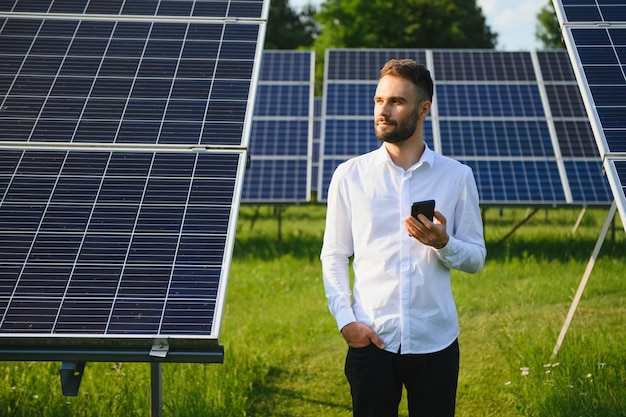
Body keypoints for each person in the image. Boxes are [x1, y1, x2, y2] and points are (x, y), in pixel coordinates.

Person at [320, 59, 487, 417]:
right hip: (371, 339)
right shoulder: (349, 176)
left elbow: (475, 257)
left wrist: (444, 243)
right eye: (379, 100)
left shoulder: (457, 177)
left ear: (423, 109)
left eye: (396, 102)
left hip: (436, 341)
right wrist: (346, 321)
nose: (383, 110)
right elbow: (333, 255)